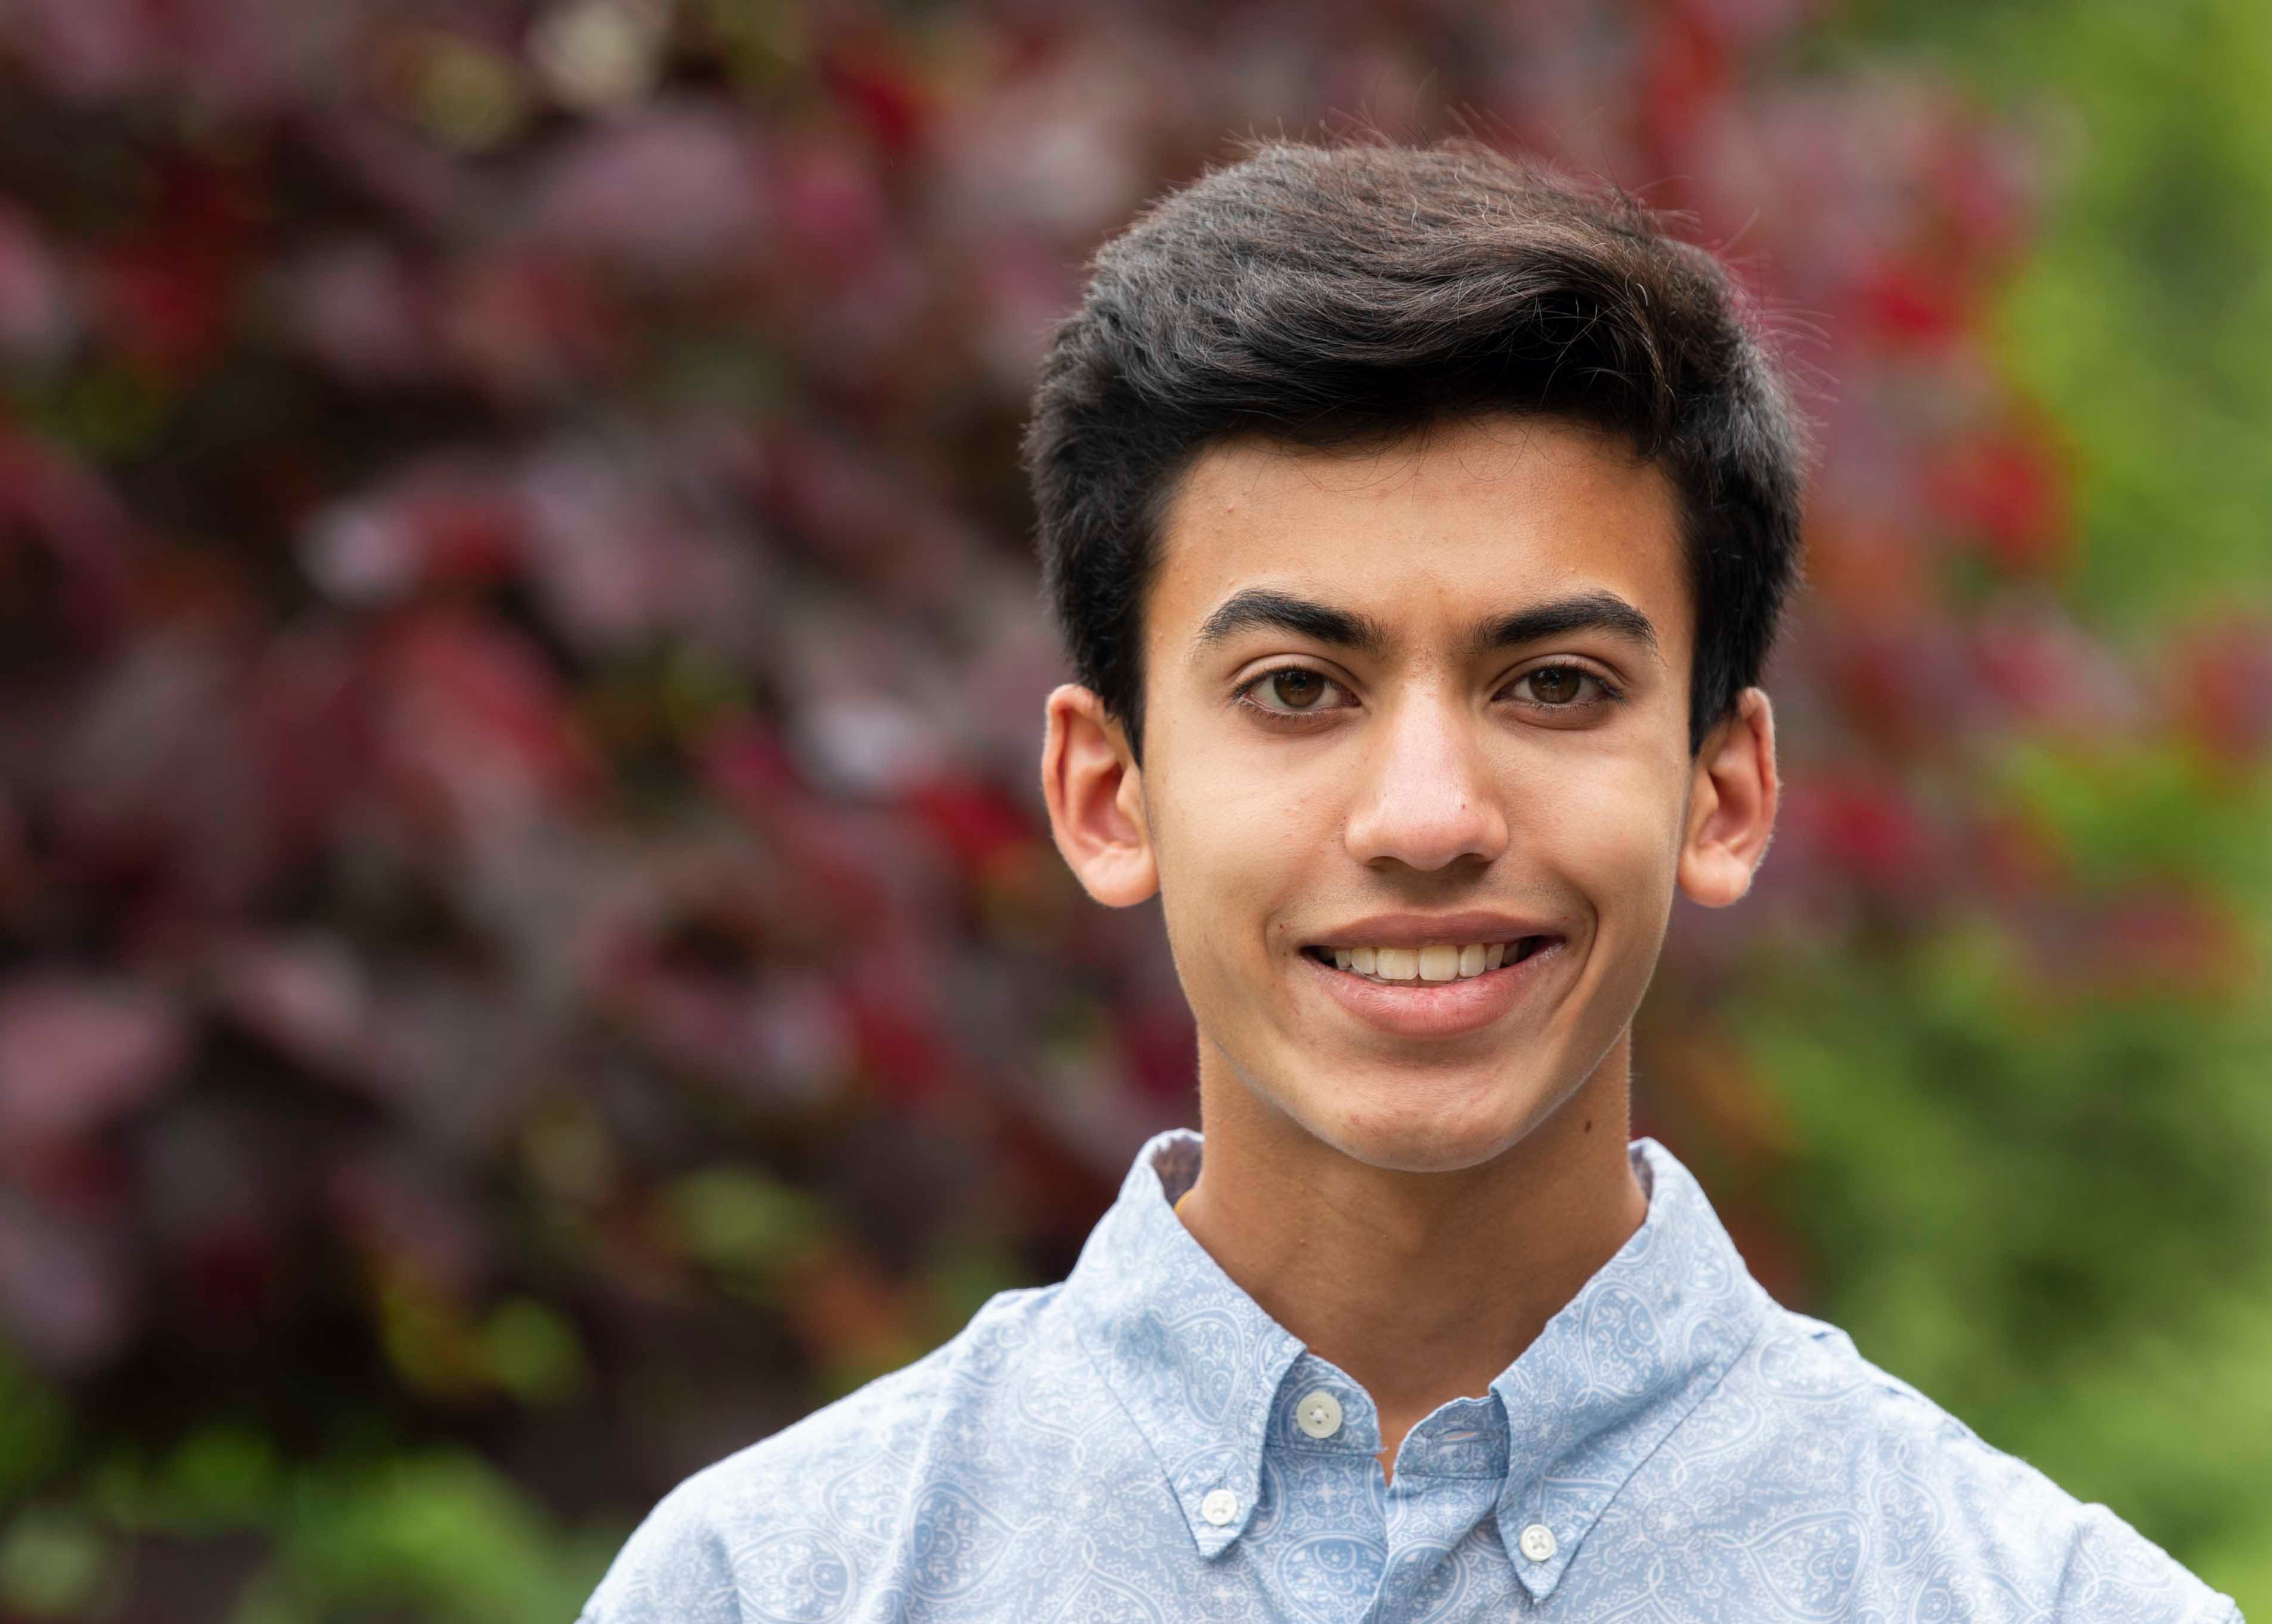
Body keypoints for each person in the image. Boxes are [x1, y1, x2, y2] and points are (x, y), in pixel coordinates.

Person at [575, 139, 2241, 1623]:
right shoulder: (771, 1583)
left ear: (1723, 792)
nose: (1427, 815)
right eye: (1298, 686)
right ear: (1106, 791)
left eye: (1555, 685)